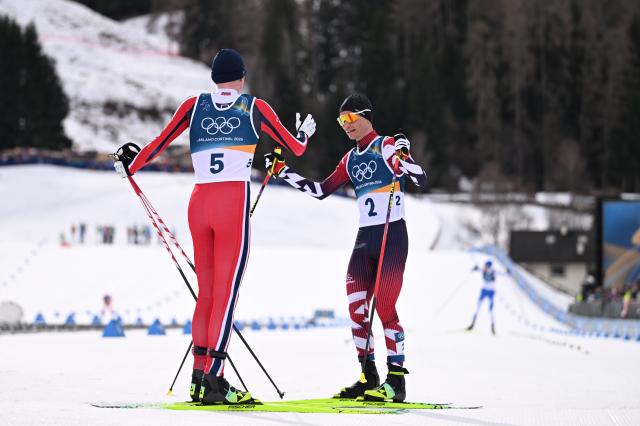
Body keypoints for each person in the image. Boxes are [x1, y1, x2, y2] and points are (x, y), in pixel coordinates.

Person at [113, 48, 316, 405]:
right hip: (231, 203)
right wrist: (303, 132)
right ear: (241, 76)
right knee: (226, 293)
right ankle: (216, 382)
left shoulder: (193, 106)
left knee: (206, 292)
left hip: (199, 203)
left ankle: (199, 375)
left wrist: (130, 164)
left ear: (213, 78)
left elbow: (156, 146)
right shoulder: (254, 107)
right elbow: (295, 148)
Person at [264, 93, 427, 402]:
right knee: (356, 308)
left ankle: (397, 382)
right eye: (342, 121)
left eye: (351, 119)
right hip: (365, 238)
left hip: (392, 236)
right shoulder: (350, 159)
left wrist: (404, 160)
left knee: (385, 307)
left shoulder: (387, 145)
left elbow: (421, 178)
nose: (346, 126)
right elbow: (321, 190)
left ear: (366, 116)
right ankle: (369, 376)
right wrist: (282, 171)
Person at [466, 260, 511, 335]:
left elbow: (503, 274)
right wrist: (474, 268)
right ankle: (472, 324)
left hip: (491, 292)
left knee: (491, 310)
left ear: (489, 266)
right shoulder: (483, 270)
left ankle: (493, 326)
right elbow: (473, 270)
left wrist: (507, 272)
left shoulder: (494, 272)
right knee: (478, 308)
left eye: (486, 266)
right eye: (485, 266)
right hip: (483, 291)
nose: (485, 267)